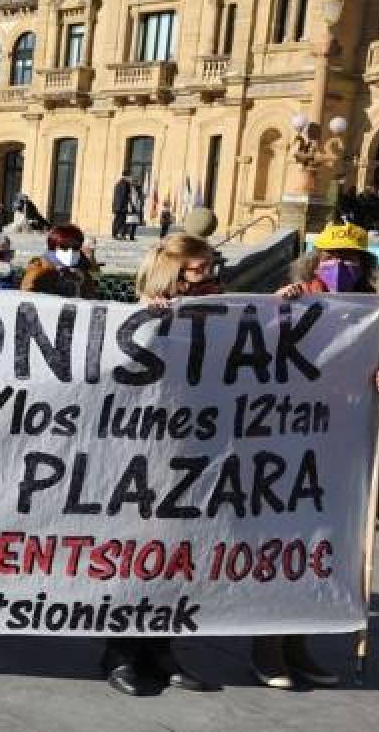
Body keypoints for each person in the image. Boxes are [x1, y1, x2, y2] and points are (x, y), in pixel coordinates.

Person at [264, 221, 379, 689]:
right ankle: (267, 649)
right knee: (280, 540)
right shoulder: (293, 296)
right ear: (315, 258)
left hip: (341, 443)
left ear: (365, 264)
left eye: (352, 259)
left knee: (323, 545)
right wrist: (276, 310)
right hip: (286, 438)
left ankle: (300, 644)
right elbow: (257, 357)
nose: (341, 266)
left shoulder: (373, 311)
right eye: (333, 256)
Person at [94, 233, 222, 694]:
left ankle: (162, 649)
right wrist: (148, 317)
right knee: (135, 557)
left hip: (192, 452)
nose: (209, 276)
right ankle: (121, 652)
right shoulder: (136, 316)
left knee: (178, 558)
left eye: (210, 267)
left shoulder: (216, 310)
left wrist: (286, 302)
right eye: (198, 269)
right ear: (173, 271)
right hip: (138, 456)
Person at [20, 223, 99, 299]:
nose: (70, 251)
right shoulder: (39, 268)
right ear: (53, 247)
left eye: (75, 247)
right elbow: (27, 296)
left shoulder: (82, 271)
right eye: (64, 247)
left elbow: (91, 300)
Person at [111, 171, 132, 240]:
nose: (130, 178)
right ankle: (116, 234)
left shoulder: (120, 183)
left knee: (120, 221)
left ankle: (118, 234)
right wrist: (125, 206)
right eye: (129, 177)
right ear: (126, 176)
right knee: (119, 221)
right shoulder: (124, 184)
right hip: (121, 207)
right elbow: (122, 196)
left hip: (118, 206)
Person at [123, 177, 144, 241]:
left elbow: (138, 199)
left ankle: (131, 236)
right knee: (129, 223)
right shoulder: (131, 189)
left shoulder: (137, 190)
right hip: (132, 208)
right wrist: (133, 207)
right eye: (136, 182)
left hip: (136, 208)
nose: (138, 184)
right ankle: (124, 234)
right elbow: (131, 199)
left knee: (134, 223)